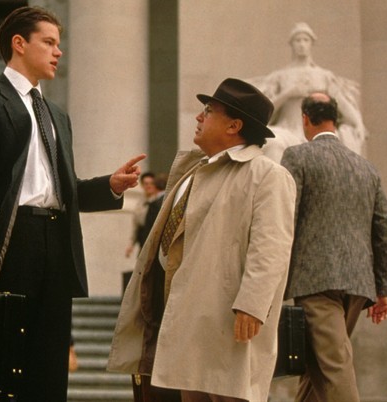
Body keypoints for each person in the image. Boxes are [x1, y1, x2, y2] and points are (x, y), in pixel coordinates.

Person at [0, 6, 145, 402]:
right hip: (10, 243)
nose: (58, 52)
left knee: (49, 362)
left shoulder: (56, 114)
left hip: (57, 244)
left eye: (59, 44)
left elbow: (62, 190)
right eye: (49, 42)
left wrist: (109, 186)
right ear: (19, 44)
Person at [108, 78, 297, 402]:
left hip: (226, 315)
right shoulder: (195, 170)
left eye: (208, 111)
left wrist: (252, 305)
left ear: (234, 126)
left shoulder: (267, 175)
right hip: (183, 311)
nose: (198, 117)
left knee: (227, 393)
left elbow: (272, 247)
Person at [280, 92, 387, 402]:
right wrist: (383, 288)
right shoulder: (366, 168)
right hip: (359, 285)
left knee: (333, 366)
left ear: (305, 119)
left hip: (315, 281)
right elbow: (385, 229)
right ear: (336, 120)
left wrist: (271, 278)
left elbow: (284, 217)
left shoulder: (297, 157)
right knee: (317, 367)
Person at [253, 22, 366, 161]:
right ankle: (275, 176)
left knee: (338, 144)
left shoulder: (324, 76)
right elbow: (264, 111)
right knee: (273, 142)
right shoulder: (280, 76)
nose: (302, 44)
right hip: (288, 130)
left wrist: (357, 123)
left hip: (319, 132)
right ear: (292, 44)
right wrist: (288, 94)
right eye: (298, 40)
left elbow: (341, 103)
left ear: (311, 43)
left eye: (305, 40)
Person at [125, 172, 159, 258]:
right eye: (146, 184)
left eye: (151, 183)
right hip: (144, 242)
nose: (149, 186)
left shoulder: (160, 202)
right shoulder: (140, 204)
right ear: (142, 185)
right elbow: (136, 226)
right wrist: (131, 245)